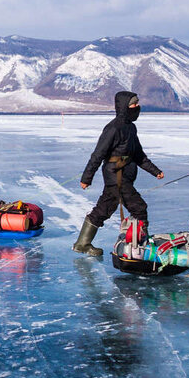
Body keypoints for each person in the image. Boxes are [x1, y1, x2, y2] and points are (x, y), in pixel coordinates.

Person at [73, 91, 165, 256]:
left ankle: (82, 243)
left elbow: (138, 155)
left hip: (124, 176)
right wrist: (87, 178)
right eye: (133, 104)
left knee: (104, 208)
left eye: (137, 104)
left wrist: (155, 171)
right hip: (116, 176)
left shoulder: (131, 127)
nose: (137, 107)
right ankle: (138, 247)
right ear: (124, 107)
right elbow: (98, 154)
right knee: (139, 208)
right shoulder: (113, 128)